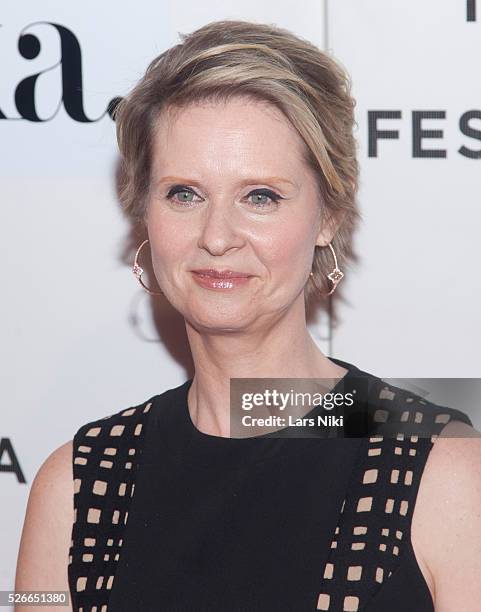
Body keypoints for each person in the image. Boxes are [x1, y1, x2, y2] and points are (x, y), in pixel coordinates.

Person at [15, 19, 481, 612]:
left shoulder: (446, 470)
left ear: (328, 216)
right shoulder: (79, 482)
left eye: (260, 196)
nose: (216, 237)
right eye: (183, 193)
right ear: (144, 211)